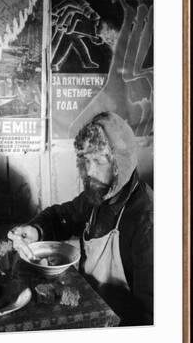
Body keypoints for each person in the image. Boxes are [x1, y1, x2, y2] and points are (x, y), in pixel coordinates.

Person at [8, 111, 153, 326]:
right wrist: (36, 230)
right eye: (85, 159)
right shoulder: (98, 196)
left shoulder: (147, 221)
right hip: (88, 305)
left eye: (98, 160)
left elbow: (149, 315)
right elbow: (61, 216)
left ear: (121, 161)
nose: (89, 171)